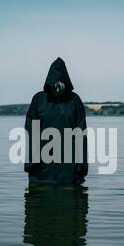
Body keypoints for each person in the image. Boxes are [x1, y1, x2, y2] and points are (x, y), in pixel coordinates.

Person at [24, 57, 88, 185]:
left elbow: (81, 133)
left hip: (68, 169)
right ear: (49, 82)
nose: (57, 88)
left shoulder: (74, 101)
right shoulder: (39, 100)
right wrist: (32, 163)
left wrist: (81, 166)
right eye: (55, 85)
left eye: (60, 85)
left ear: (66, 82)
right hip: (42, 168)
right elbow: (31, 131)